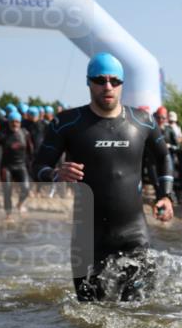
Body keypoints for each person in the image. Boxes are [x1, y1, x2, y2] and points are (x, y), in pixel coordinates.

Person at [33, 52, 174, 301]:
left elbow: (164, 157)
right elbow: (38, 167)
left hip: (134, 235)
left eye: (114, 81)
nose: (107, 86)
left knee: (137, 314)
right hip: (88, 239)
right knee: (88, 319)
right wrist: (56, 174)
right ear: (88, 82)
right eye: (100, 80)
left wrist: (166, 196)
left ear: (121, 84)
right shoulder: (67, 122)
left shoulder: (143, 121)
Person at [0, 109, 33, 216]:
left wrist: (33, 165)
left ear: (20, 123)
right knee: (7, 191)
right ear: (9, 122)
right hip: (6, 167)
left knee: (26, 188)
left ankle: (20, 204)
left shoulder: (25, 134)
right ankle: (8, 215)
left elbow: (31, 152)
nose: (15, 124)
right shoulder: (2, 135)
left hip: (21, 166)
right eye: (13, 122)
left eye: (17, 122)